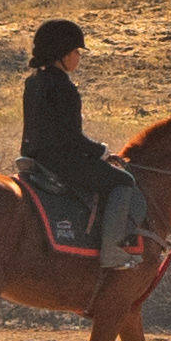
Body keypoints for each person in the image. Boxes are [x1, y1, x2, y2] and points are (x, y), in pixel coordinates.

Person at [18, 18, 124, 247]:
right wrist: (102, 152)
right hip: (60, 162)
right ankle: (113, 249)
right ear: (63, 55)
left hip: (33, 159)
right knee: (123, 181)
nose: (78, 56)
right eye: (76, 51)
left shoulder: (33, 82)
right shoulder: (64, 87)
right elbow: (72, 139)